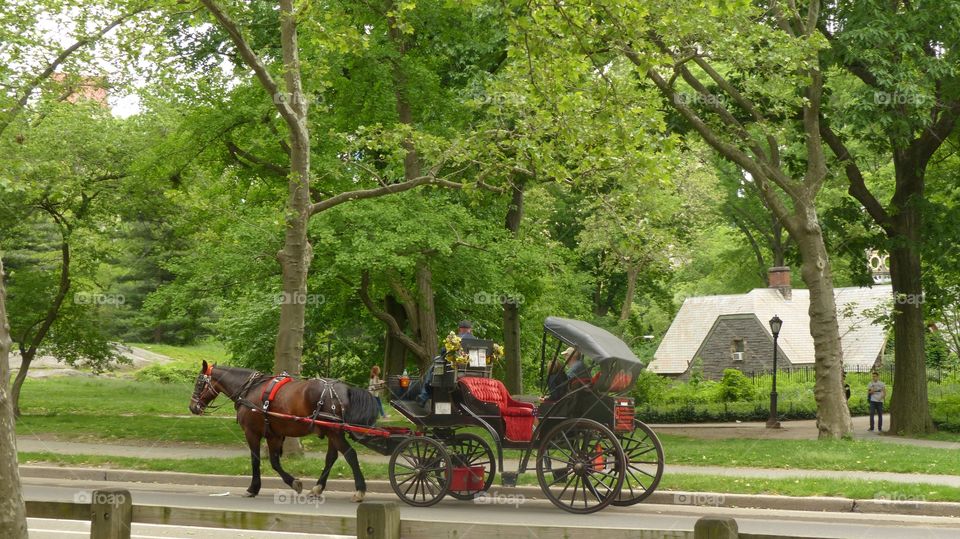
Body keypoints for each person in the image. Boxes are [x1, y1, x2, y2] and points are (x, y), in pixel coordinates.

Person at [417, 320, 474, 406]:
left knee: (436, 361)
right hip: (475, 371)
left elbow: (443, 352)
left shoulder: (456, 340)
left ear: (460, 329)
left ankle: (424, 396)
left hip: (453, 370)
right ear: (470, 329)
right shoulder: (477, 341)